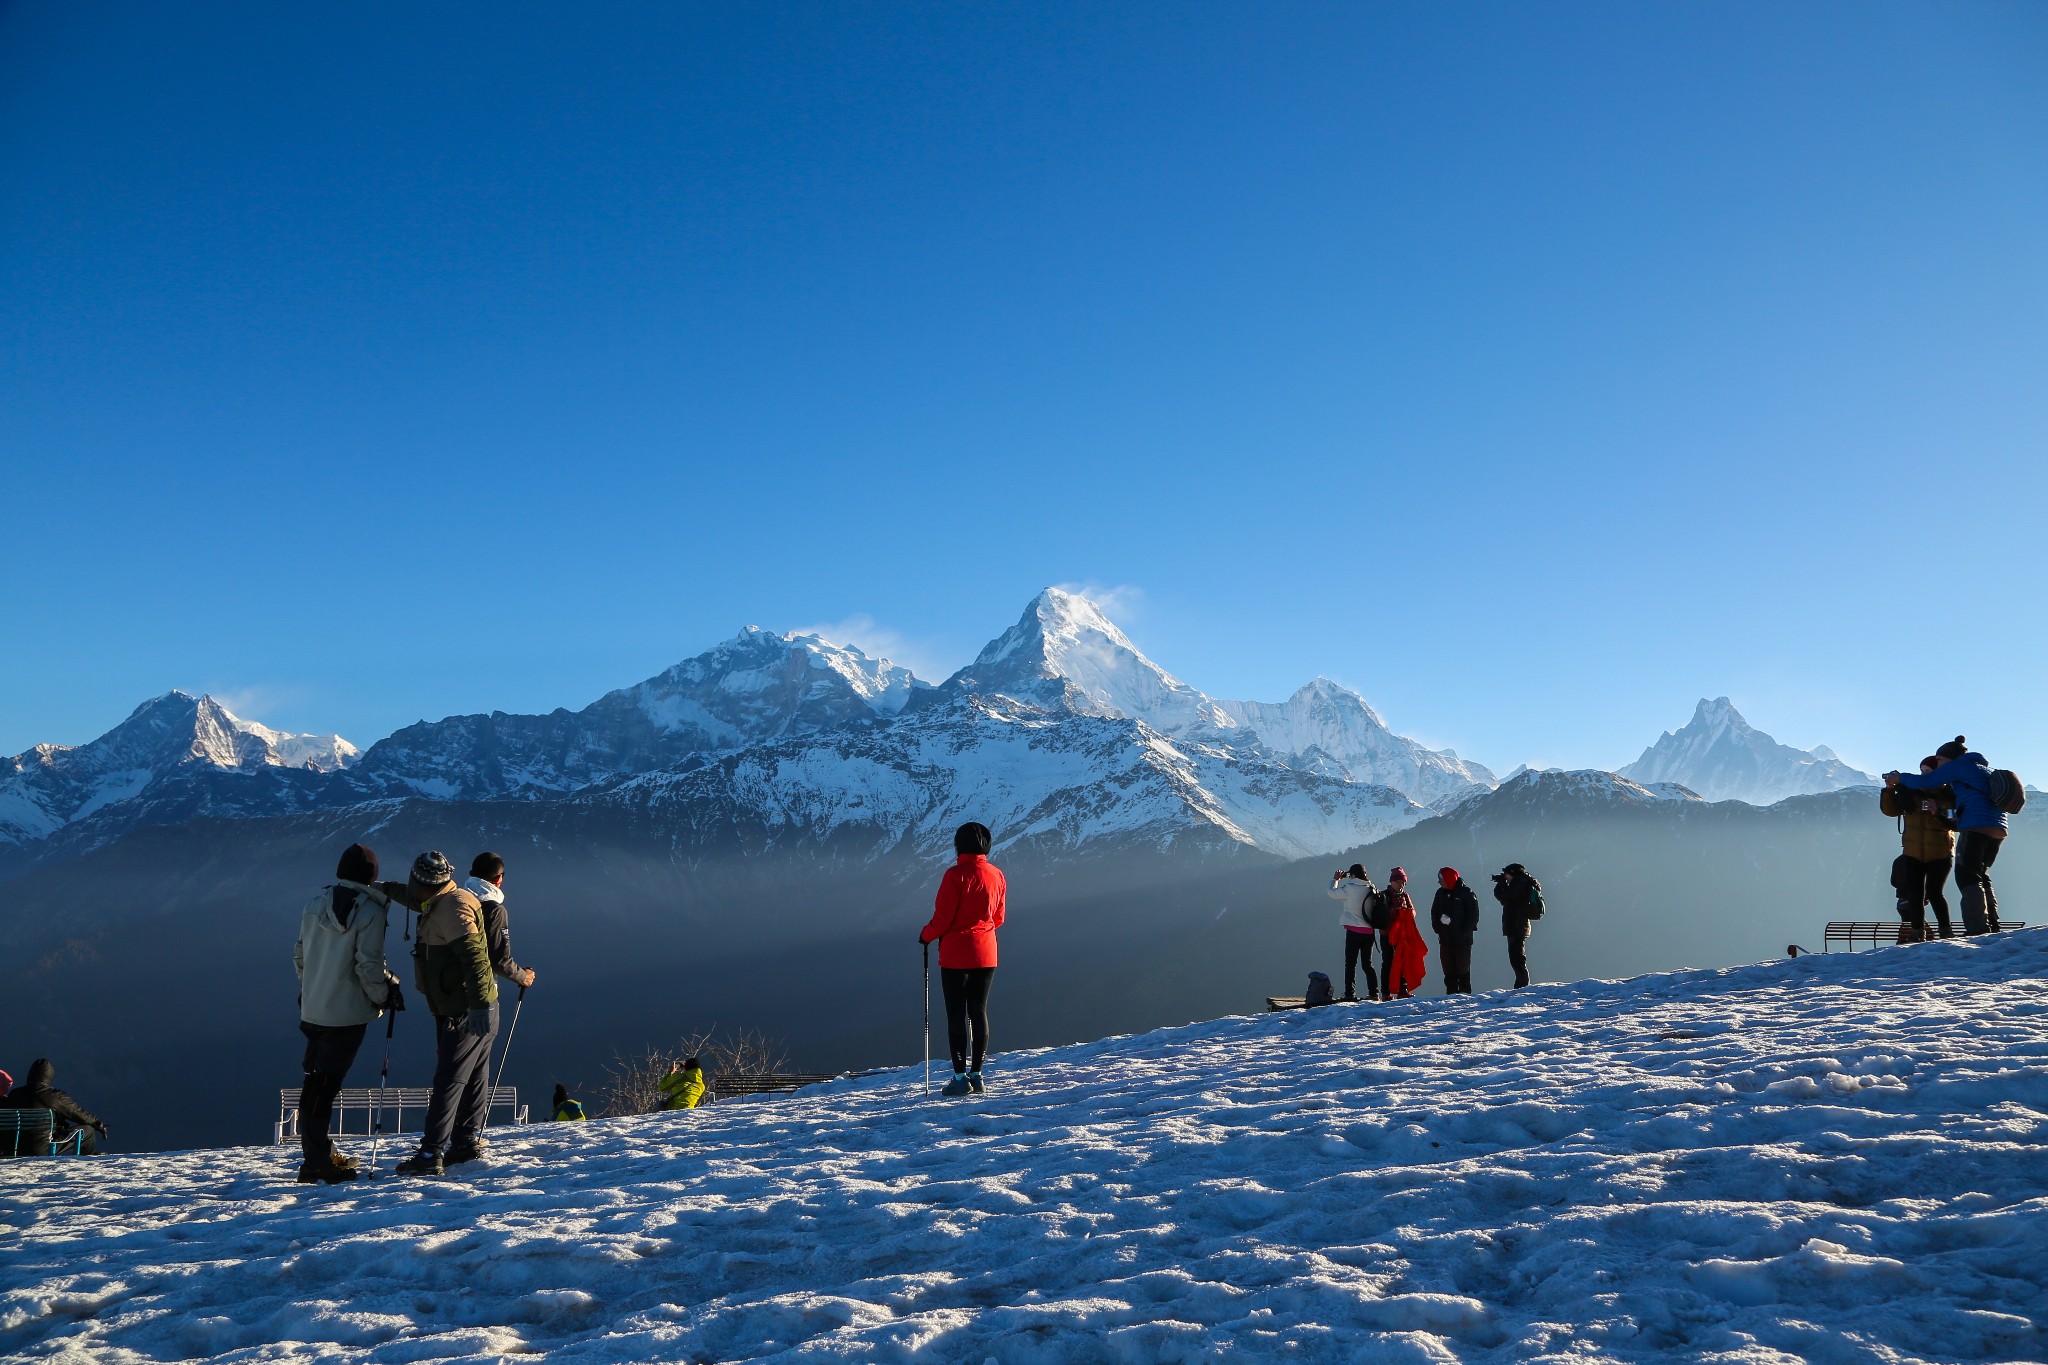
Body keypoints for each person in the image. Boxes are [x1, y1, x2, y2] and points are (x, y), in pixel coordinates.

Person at [291, 841, 404, 1183]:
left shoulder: (314, 905)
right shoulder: (370, 912)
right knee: (325, 1087)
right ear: (372, 876)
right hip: (347, 1016)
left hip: (313, 1009)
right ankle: (315, 1164)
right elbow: (369, 965)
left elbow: (300, 956)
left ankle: (319, 1152)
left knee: (315, 1082)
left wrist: (315, 987)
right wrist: (384, 995)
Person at [388, 851, 497, 1177]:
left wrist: (477, 1007)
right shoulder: (441, 898)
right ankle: (464, 1145)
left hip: (465, 1010)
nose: (412, 888)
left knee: (449, 1080)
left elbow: (476, 959)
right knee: (475, 1076)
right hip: (477, 1006)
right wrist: (379, 887)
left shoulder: (453, 909)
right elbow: (411, 897)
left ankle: (430, 1155)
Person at [919, 821, 1007, 1097]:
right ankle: (977, 1075)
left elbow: (943, 919)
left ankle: (959, 1079)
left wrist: (926, 935)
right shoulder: (997, 875)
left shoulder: (954, 875)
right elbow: (999, 918)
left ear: (958, 845)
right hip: (986, 952)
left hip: (956, 954)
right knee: (978, 1011)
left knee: (956, 1014)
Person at [1889, 738, 2008, 935]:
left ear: (1949, 758)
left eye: (1940, 760)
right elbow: (1956, 812)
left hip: (1976, 827)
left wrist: (1899, 778)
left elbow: (1924, 781)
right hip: (1997, 828)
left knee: (1967, 877)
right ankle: (1993, 924)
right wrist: (1941, 812)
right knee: (1981, 874)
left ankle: (1977, 929)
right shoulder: (1981, 770)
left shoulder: (1958, 767)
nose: (1939, 766)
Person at [1880, 757, 1955, 942]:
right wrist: (1890, 790)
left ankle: (1945, 930)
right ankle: (1917, 932)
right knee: (1915, 894)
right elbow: (1890, 810)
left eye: (1928, 772)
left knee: (1935, 893)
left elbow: (1955, 820)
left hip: (1940, 853)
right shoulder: (1910, 793)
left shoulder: (1950, 795)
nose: (1924, 776)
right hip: (1913, 852)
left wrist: (1938, 811)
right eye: (1922, 772)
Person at [2, 1059, 107, 1155]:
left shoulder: (14, 1095)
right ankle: (87, 1159)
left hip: (13, 1148)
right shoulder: (56, 1097)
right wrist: (99, 1124)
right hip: (43, 1149)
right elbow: (80, 1115)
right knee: (88, 1130)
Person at [1327, 864, 1380, 1001]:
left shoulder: (1349, 888)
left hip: (1353, 931)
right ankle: (1374, 993)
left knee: (1350, 964)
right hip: (1369, 932)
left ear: (1353, 875)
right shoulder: (1371, 887)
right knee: (1367, 964)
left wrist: (1336, 879)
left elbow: (1331, 893)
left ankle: (1350, 993)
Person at [1430, 867, 1480, 994]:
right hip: (1445, 940)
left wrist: (1464, 931)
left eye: (1441, 879)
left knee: (1463, 971)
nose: (1439, 882)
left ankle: (1465, 998)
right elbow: (1434, 912)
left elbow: (1473, 915)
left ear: (1449, 879)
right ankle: (1451, 997)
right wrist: (1438, 928)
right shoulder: (1440, 893)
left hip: (1463, 941)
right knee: (1449, 973)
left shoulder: (1466, 893)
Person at [1382, 867, 1429, 998]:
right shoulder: (1384, 895)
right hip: (1388, 934)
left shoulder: (1404, 895)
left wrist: (1407, 913)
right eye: (1399, 882)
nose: (1401, 885)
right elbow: (1383, 914)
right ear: (1392, 881)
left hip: (1401, 935)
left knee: (1403, 961)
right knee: (1388, 962)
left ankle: (1403, 989)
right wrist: (1398, 912)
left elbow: (1412, 911)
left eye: (1403, 882)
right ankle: (1386, 992)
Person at [1492, 863, 1539, 988]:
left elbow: (1502, 895)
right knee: (1517, 957)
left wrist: (1501, 883)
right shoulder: (1522, 883)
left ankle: (1522, 985)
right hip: (1519, 925)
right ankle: (1521, 983)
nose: (1505, 876)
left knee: (1517, 958)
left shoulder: (1518, 884)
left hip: (1516, 925)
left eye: (1506, 874)